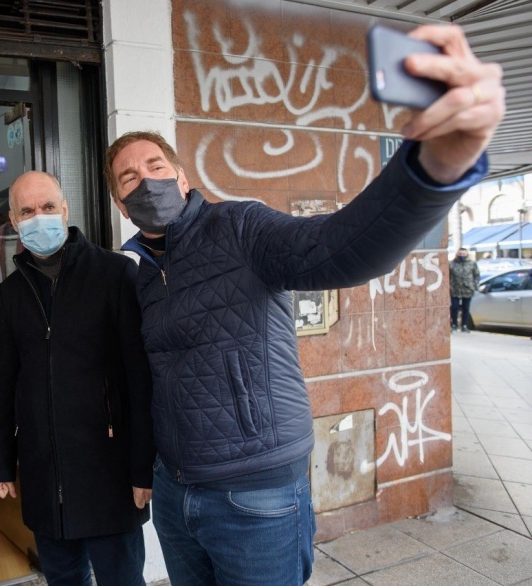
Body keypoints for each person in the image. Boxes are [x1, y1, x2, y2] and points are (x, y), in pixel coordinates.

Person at [104, 24, 504, 586]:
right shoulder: (141, 274)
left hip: (256, 492)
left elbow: (342, 248)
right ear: (120, 204)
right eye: (128, 178)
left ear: (183, 177)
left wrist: (430, 170)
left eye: (155, 168)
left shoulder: (240, 226)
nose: (144, 182)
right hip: (176, 491)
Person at [0, 171, 156, 586]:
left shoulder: (116, 274)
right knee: (63, 580)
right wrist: (0, 462)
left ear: (65, 210)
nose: (38, 217)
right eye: (27, 211)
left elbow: (140, 378)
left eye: (47, 207)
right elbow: (5, 381)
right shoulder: (11, 292)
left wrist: (143, 469)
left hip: (109, 474)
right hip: (45, 477)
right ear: (13, 220)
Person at [450, 247, 480, 333]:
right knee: (454, 307)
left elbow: (476, 275)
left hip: (468, 289)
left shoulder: (472, 264)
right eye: (460, 254)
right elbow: (448, 275)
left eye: (463, 254)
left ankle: (464, 325)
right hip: (455, 289)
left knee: (466, 308)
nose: (461, 256)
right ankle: (454, 324)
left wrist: (475, 286)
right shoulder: (452, 264)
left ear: (467, 254)